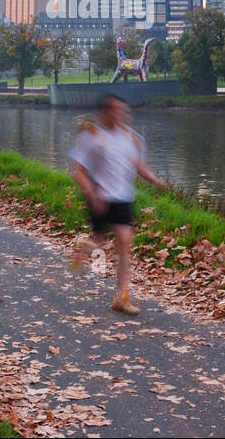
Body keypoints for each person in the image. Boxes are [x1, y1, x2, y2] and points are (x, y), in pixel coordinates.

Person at [68, 93, 169, 316]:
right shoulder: (91, 136)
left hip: (123, 197)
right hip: (101, 198)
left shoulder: (130, 137)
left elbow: (137, 165)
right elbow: (79, 173)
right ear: (105, 113)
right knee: (101, 245)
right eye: (116, 110)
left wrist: (155, 180)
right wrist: (91, 196)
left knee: (124, 243)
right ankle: (84, 246)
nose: (122, 114)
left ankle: (121, 296)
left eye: (124, 110)